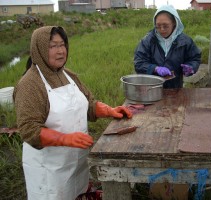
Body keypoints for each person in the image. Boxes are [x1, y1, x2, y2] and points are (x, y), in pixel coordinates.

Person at [13, 26, 132, 200]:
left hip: (76, 162)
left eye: (63, 45)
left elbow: (89, 105)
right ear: (38, 48)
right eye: (53, 46)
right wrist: (65, 139)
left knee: (77, 191)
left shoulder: (68, 75)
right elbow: (28, 129)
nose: (61, 51)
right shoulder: (30, 85)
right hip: (50, 170)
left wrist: (109, 111)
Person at [134, 5, 201, 88]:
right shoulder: (148, 41)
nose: (161, 29)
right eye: (158, 26)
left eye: (165, 26)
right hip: (151, 89)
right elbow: (139, 63)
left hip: (175, 89)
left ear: (174, 23)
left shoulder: (185, 42)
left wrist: (191, 67)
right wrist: (155, 68)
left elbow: (195, 58)